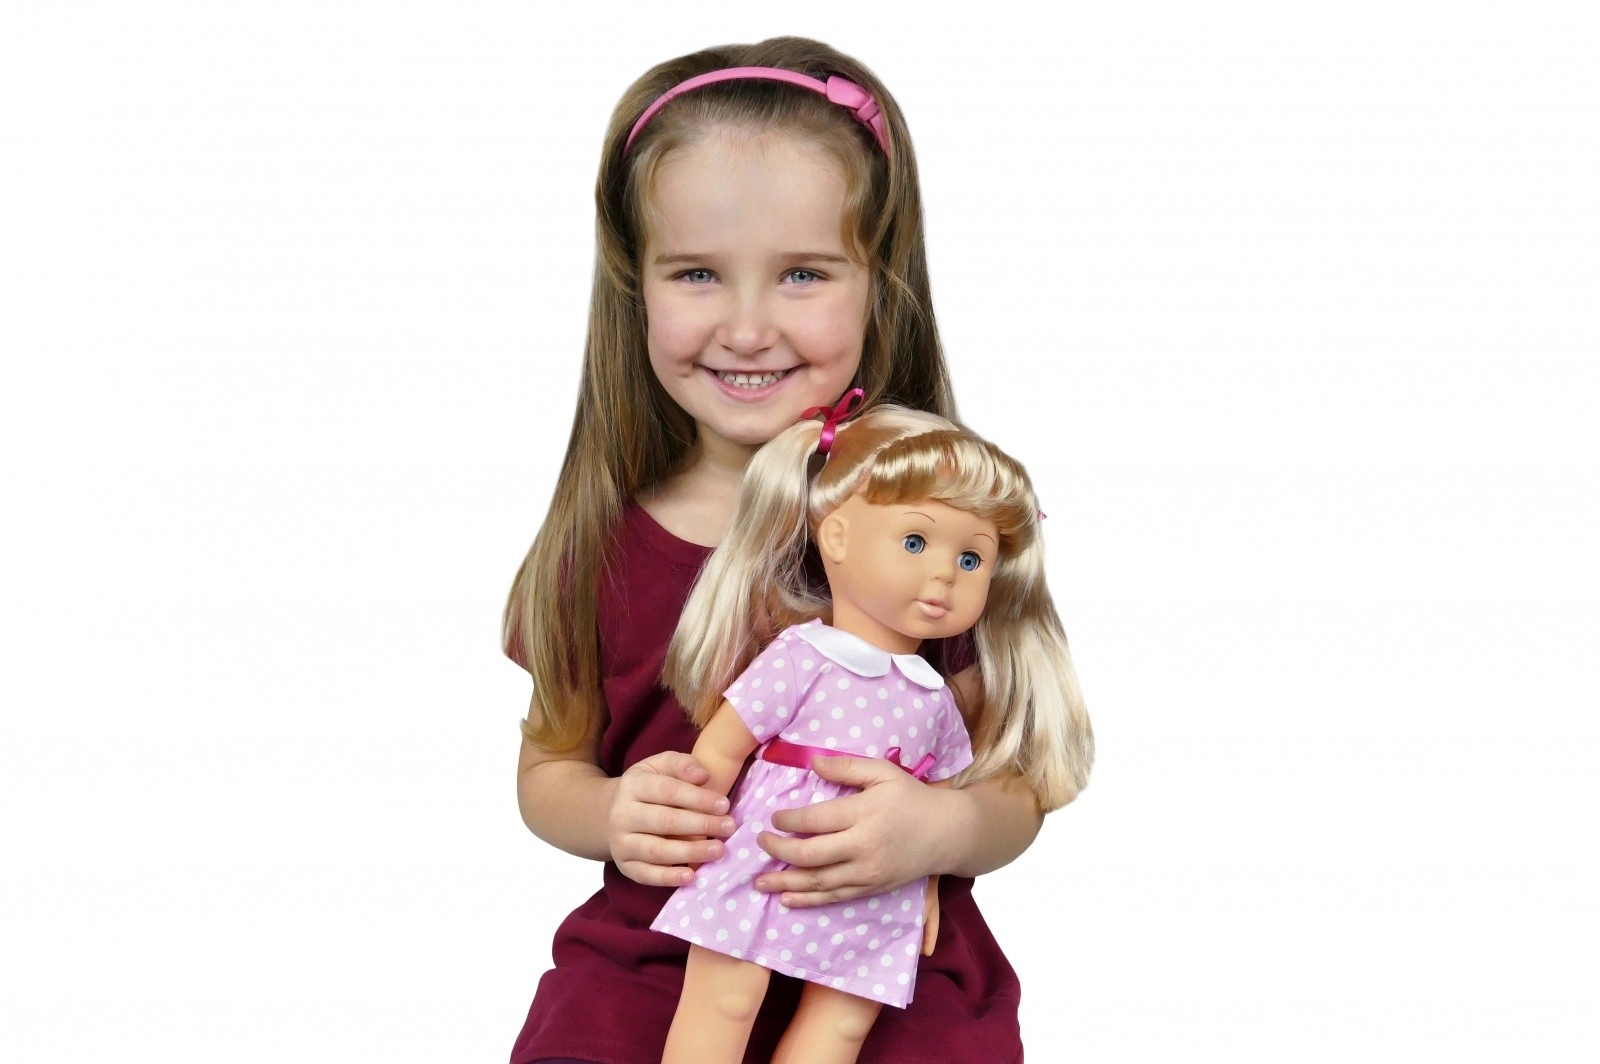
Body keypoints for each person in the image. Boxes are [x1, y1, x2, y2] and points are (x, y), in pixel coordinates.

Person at [504, 36, 1091, 1064]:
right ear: (636, 285)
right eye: (696, 272)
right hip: (662, 947)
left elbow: (1014, 786)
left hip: (880, 954)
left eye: (803, 274)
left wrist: (939, 831)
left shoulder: (939, 528)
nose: (746, 327)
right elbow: (550, 762)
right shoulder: (598, 545)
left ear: (878, 283)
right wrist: (610, 810)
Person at [651, 405, 1092, 1063]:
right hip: (765, 853)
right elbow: (722, 746)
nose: (945, 574)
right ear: (836, 537)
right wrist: (694, 831)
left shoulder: (935, 698)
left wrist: (929, 882)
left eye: (972, 557)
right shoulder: (803, 656)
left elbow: (938, 800)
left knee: (841, 1026)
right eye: (915, 543)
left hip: (879, 882)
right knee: (726, 996)